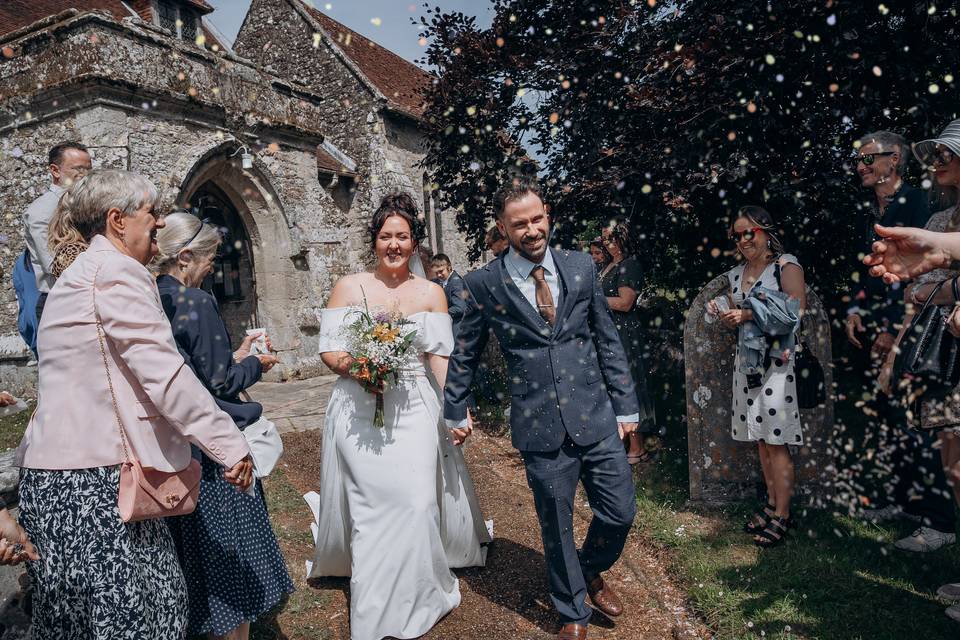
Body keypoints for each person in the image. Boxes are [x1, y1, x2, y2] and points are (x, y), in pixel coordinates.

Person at [15, 170, 253, 638]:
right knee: (142, 618)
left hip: (56, 482)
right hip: (99, 485)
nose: (160, 224)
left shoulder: (78, 273)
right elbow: (165, 376)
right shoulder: (117, 273)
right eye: (152, 214)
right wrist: (229, 443)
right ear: (117, 221)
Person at [444, 176, 638, 640]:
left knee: (620, 511)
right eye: (520, 224)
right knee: (555, 521)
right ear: (503, 227)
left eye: (537, 219)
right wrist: (455, 408)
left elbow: (607, 340)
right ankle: (572, 609)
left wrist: (626, 407)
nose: (532, 230)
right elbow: (465, 351)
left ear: (547, 214)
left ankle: (588, 569)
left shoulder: (579, 268)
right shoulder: (483, 284)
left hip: (596, 413)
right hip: (538, 423)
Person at [305, 193, 490, 640]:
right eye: (386, 236)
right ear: (374, 241)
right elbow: (330, 350)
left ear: (415, 243)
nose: (394, 245)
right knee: (370, 507)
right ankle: (375, 611)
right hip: (358, 407)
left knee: (419, 500)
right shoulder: (349, 287)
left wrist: (455, 408)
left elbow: (439, 357)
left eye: (402, 237)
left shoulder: (433, 293)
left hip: (413, 408)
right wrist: (360, 368)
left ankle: (421, 591)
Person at [154, 212, 294, 640]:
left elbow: (191, 372)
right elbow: (220, 384)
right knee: (232, 555)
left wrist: (231, 354)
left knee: (195, 552)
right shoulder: (196, 302)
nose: (213, 264)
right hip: (215, 448)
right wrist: (255, 363)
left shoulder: (151, 297)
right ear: (184, 256)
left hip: (174, 444)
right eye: (210, 255)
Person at [843, 131, 945, 540]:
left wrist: (891, 328)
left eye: (869, 158)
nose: (861, 166)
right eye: (858, 159)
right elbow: (867, 267)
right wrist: (854, 308)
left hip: (913, 327)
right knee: (886, 419)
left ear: (896, 159)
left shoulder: (921, 204)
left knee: (917, 421)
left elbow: (923, 272)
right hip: (874, 327)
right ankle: (900, 499)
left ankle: (936, 519)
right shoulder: (867, 209)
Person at [875, 121, 960, 552]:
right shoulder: (940, 218)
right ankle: (941, 525)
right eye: (936, 153)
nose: (939, 161)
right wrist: (894, 357)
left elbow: (932, 288)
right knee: (947, 456)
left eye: (948, 153)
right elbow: (913, 293)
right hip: (940, 349)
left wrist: (941, 290)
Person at [707, 207, 805, 547]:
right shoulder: (737, 272)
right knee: (761, 441)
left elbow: (795, 313)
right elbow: (738, 307)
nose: (744, 239)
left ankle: (784, 514)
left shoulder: (785, 265)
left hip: (777, 364)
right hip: (748, 364)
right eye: (738, 234)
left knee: (777, 442)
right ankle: (771, 503)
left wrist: (748, 312)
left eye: (750, 231)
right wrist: (723, 308)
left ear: (766, 231)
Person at [601, 222, 657, 464]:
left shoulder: (628, 265)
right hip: (610, 331)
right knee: (612, 384)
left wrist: (594, 299)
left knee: (628, 382)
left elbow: (625, 303)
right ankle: (621, 442)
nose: (607, 242)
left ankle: (637, 446)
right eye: (604, 238)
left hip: (624, 333)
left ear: (623, 238)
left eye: (612, 238)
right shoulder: (610, 265)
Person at [23, 142, 92, 324]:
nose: (85, 176)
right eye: (77, 169)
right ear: (55, 171)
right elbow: (56, 265)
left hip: (86, 297)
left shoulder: (86, 204)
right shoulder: (43, 210)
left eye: (88, 169)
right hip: (61, 303)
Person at [431, 252, 469, 340]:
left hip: (457, 328)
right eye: (436, 273)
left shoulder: (456, 283)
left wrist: (439, 314)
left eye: (441, 271)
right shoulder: (439, 282)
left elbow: (460, 308)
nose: (439, 275)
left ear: (449, 266)